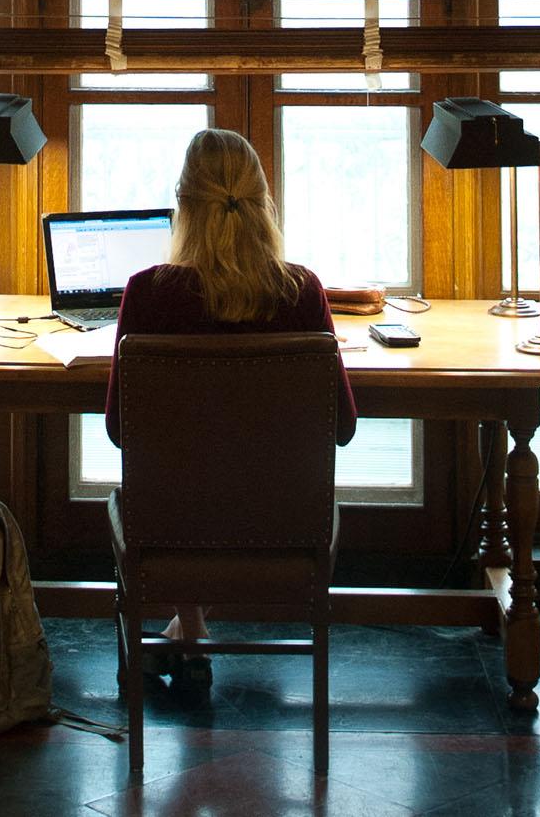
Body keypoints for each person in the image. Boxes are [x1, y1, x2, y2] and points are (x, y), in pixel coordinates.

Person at [104, 127, 357, 688]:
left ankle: (187, 635)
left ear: (183, 205)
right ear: (265, 201)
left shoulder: (146, 293)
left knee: (188, 489)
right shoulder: (303, 292)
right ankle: (186, 634)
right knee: (232, 486)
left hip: (173, 530)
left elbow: (121, 429)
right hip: (283, 526)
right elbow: (342, 427)